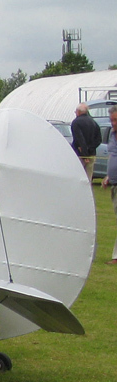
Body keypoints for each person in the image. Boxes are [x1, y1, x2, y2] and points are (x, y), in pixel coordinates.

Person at [70, 104, 102, 179]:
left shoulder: (76, 122)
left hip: (80, 155)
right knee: (88, 178)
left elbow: (80, 139)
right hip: (92, 155)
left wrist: (85, 155)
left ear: (78, 111)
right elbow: (99, 140)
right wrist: (90, 149)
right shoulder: (94, 122)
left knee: (78, 177)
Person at [103, 107, 117, 265]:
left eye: (116, 120)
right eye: (112, 120)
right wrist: (108, 176)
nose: (113, 123)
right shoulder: (113, 136)